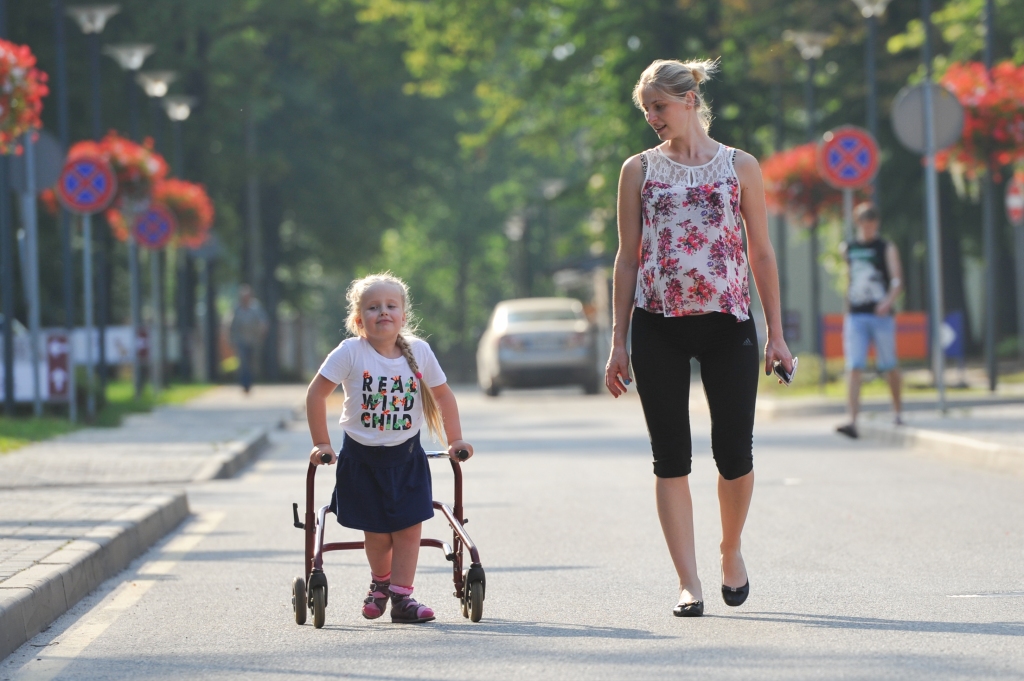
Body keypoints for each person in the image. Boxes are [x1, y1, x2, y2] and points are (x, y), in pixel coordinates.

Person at [604, 59, 793, 618]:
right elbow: (626, 258)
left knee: (734, 453)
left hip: (728, 322)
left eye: (658, 107)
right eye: (646, 110)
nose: (652, 118)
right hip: (657, 324)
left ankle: (730, 549)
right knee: (671, 458)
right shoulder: (637, 170)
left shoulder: (741, 167)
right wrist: (619, 342)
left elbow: (760, 251)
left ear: (689, 100)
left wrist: (775, 334)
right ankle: (688, 582)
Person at [305, 273, 474, 624]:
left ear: (403, 315)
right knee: (378, 532)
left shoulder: (419, 352)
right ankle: (380, 585)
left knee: (410, 528)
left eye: (390, 306)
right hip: (361, 458)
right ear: (358, 319)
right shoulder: (351, 352)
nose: (383, 312)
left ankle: (402, 598)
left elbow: (443, 395)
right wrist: (322, 443)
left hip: (406, 457)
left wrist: (455, 439)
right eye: (373, 307)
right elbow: (316, 394)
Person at [835, 203, 904, 439]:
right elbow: (848, 277)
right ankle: (853, 420)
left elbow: (897, 280)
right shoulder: (849, 248)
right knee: (854, 366)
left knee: (889, 366)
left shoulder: (885, 247)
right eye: (865, 222)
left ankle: (897, 412)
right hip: (856, 314)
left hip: (880, 314)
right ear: (858, 223)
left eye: (872, 222)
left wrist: (888, 301)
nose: (869, 227)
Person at [229, 285, 268, 393]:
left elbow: (263, 322)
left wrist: (261, 333)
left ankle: (249, 382)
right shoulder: (237, 308)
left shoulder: (256, 307)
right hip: (241, 340)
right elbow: (232, 324)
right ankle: (245, 384)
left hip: (253, 340)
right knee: (243, 363)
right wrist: (231, 338)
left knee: (251, 363)